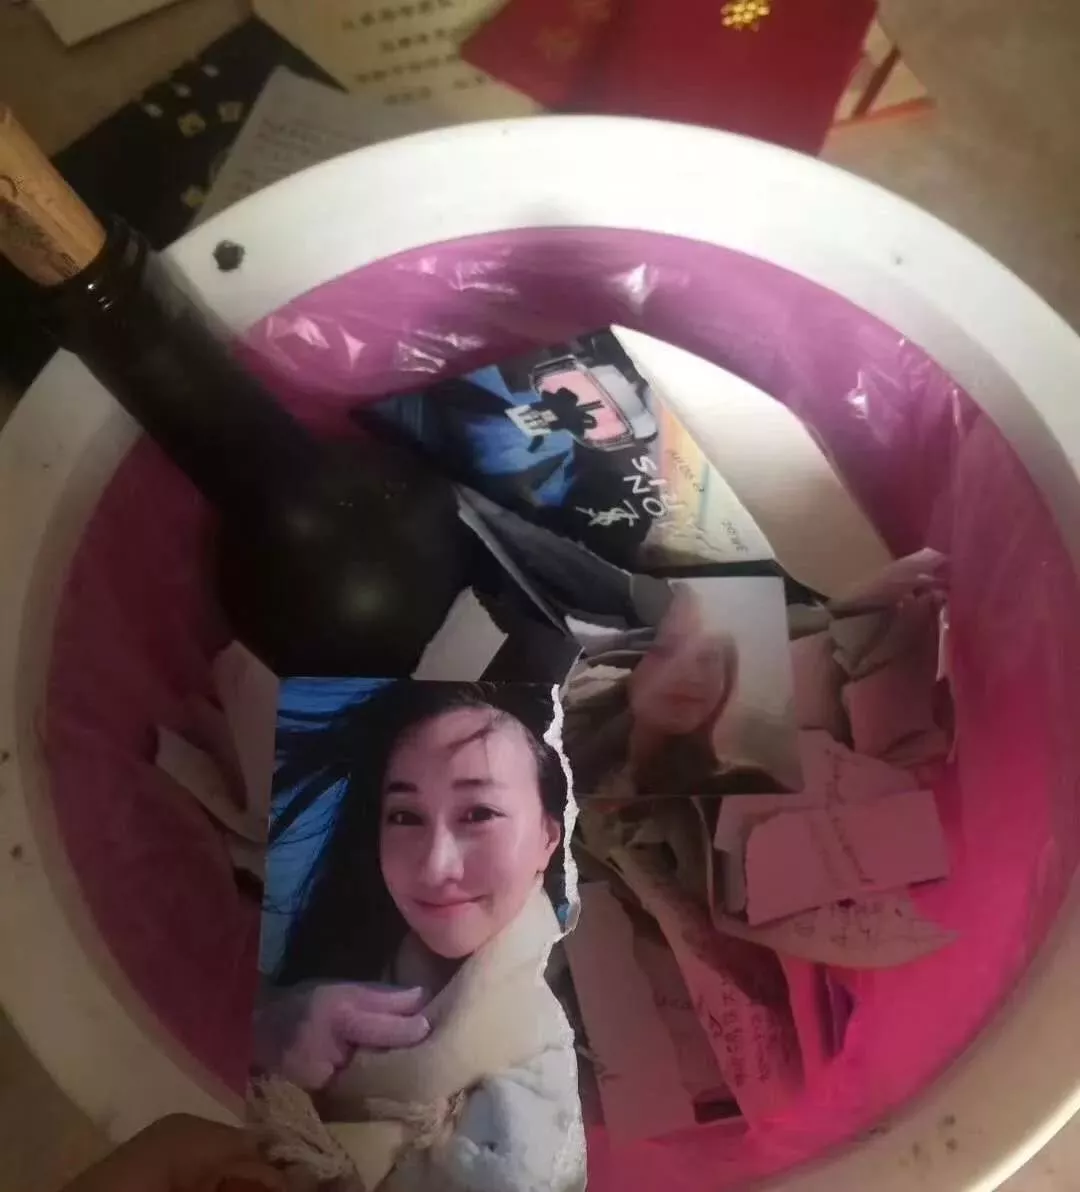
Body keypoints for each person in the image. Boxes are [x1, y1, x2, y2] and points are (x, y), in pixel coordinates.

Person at [252, 681, 584, 1192]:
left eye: (479, 813)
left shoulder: (569, 1071)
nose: (434, 867)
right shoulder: (341, 950)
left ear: (548, 836)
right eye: (405, 816)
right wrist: (266, 1026)